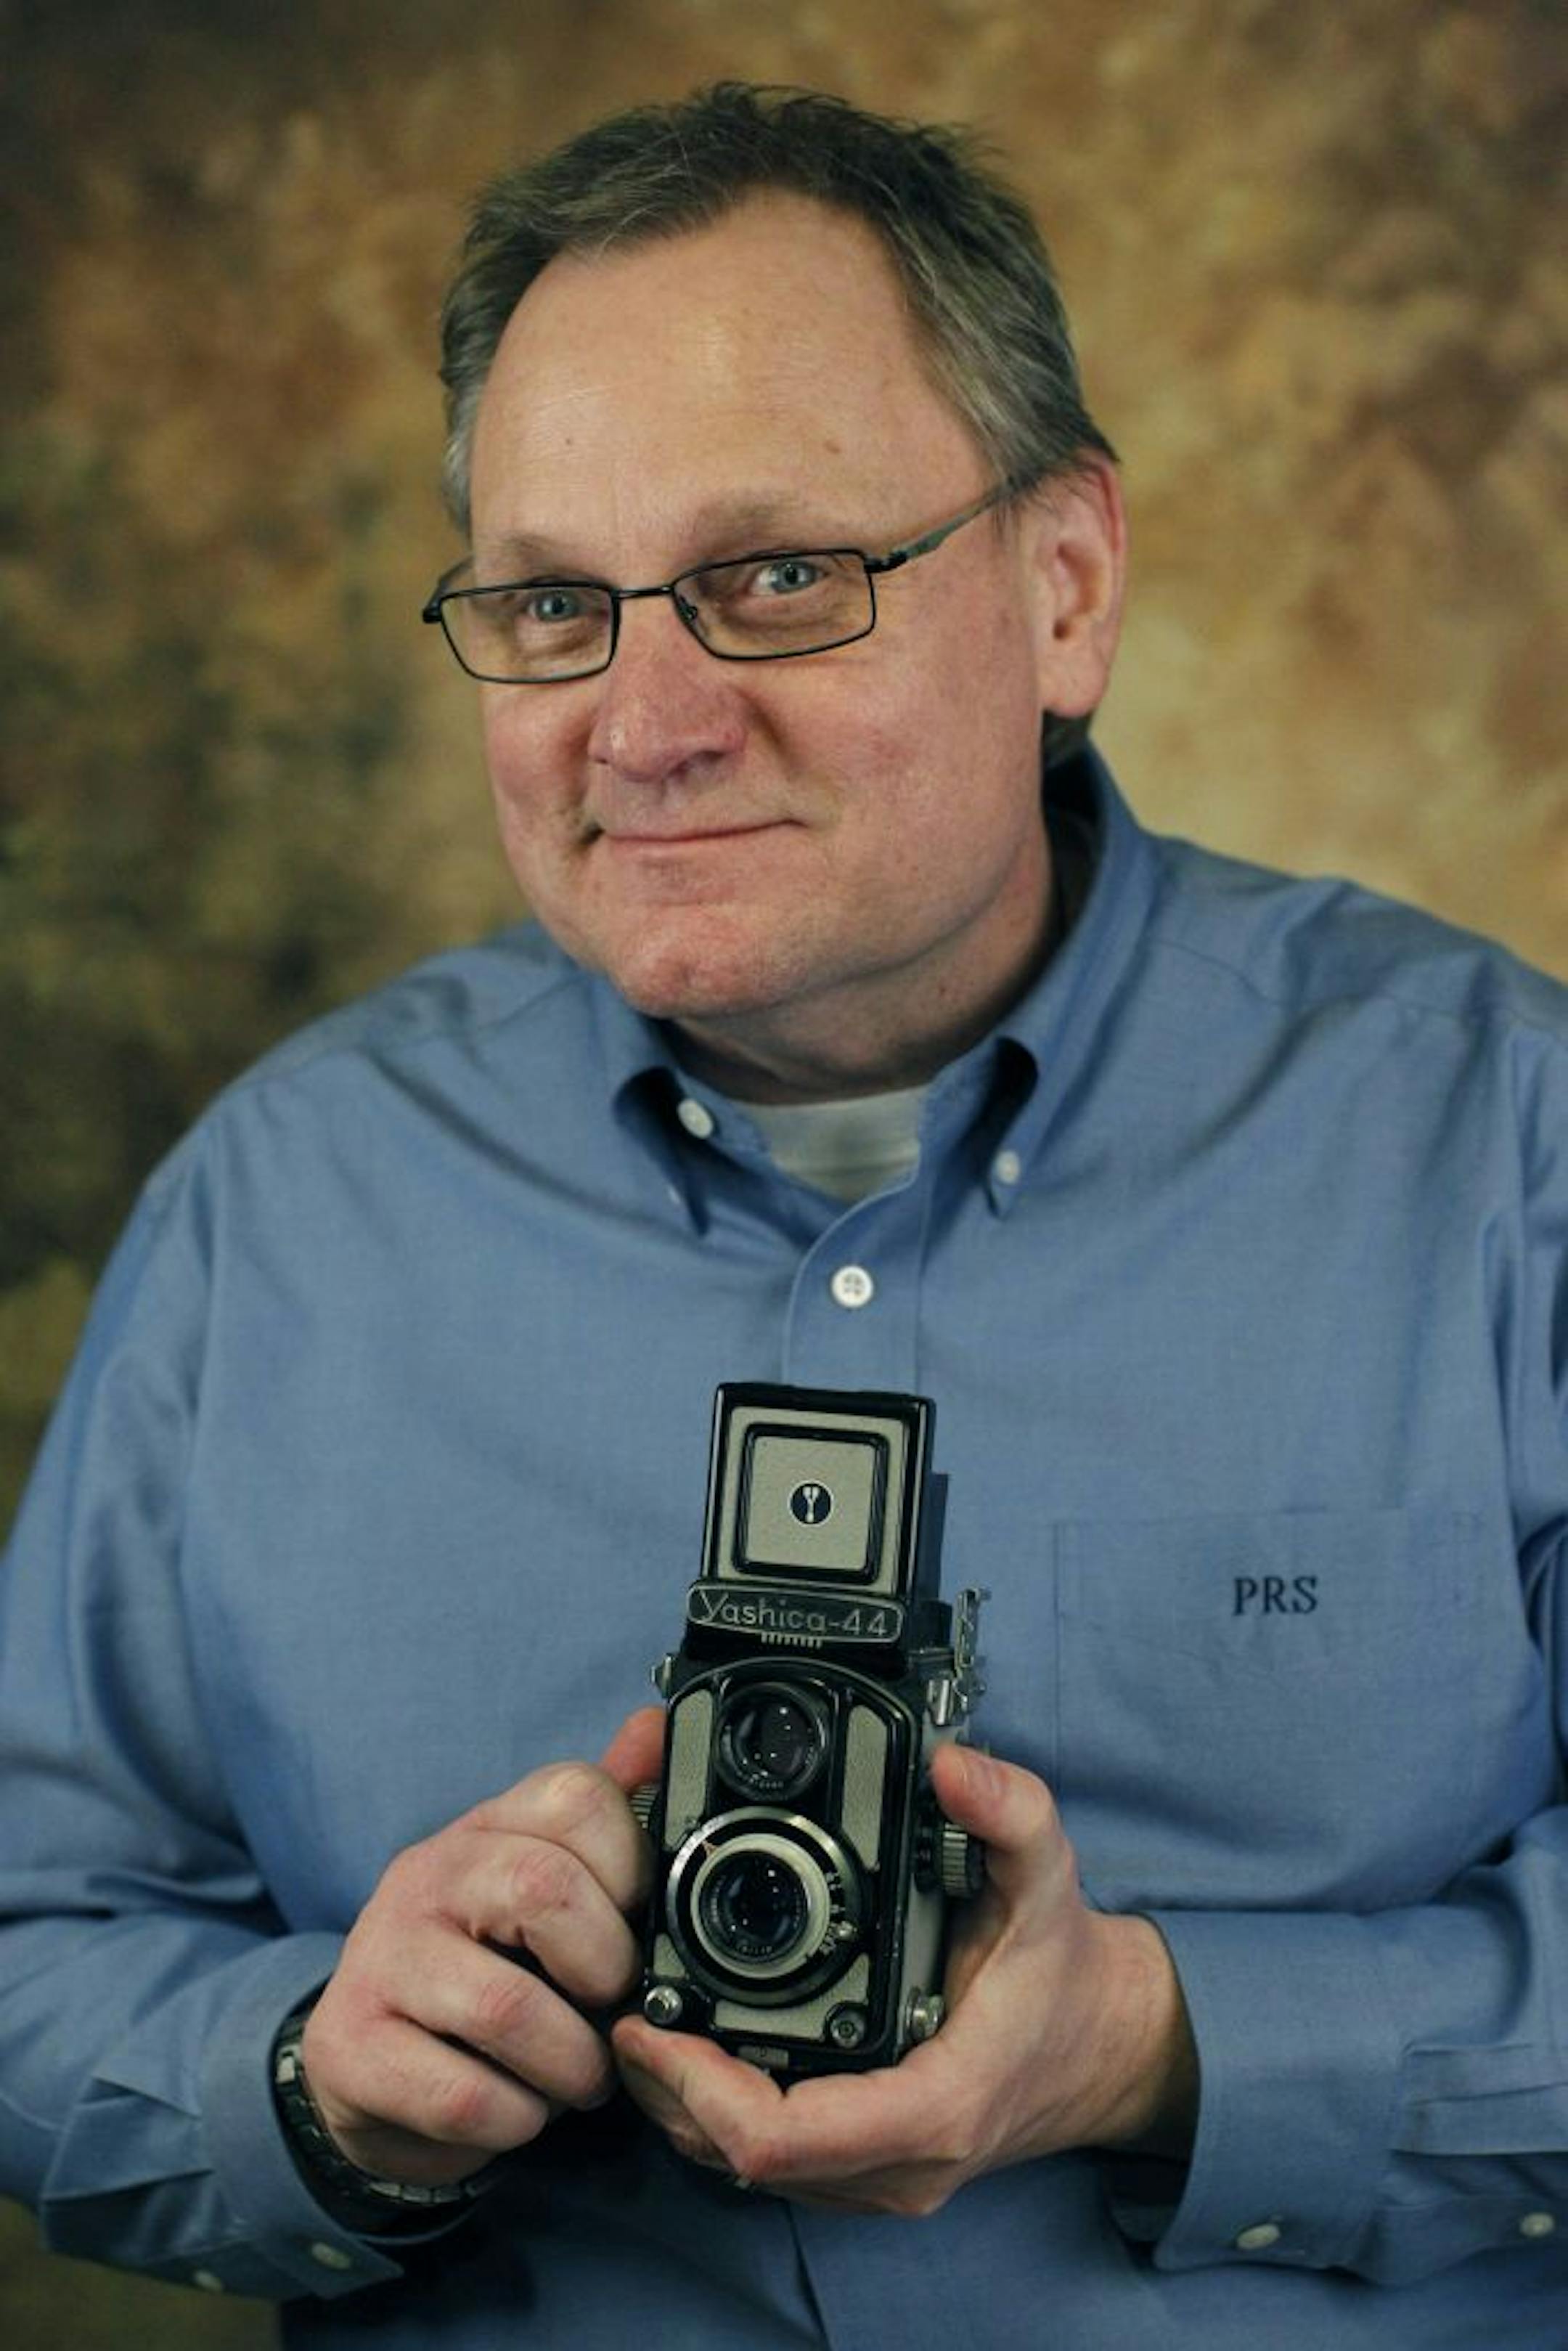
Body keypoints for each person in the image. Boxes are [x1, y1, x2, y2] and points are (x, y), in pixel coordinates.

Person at [1, 79, 1566, 2350]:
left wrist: (1161, 2046)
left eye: (774, 579)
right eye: (550, 600)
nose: (642, 724)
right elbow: (35, 1950)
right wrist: (313, 2091)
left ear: (1066, 587)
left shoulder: (1502, 1142)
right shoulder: (284, 1208)